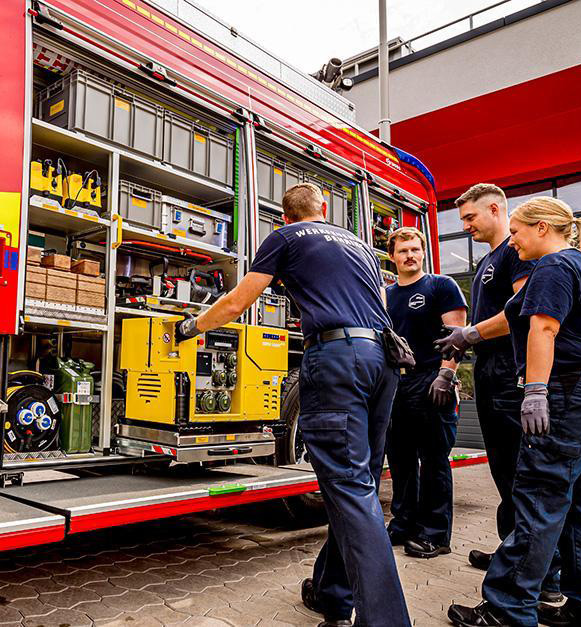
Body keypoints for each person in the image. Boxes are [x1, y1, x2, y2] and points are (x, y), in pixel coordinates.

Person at [175, 183, 408, 627]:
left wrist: (189, 327)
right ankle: (333, 594)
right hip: (383, 359)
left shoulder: (284, 238)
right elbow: (379, 303)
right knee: (359, 485)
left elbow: (239, 301)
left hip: (337, 359)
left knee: (351, 491)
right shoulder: (357, 242)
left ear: (284, 216)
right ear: (323, 208)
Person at [447, 197, 581, 627]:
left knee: (539, 494)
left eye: (518, 232)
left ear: (542, 227)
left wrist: (536, 391)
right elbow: (512, 313)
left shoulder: (553, 267)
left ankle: (509, 608)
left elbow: (543, 328)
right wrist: (469, 334)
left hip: (567, 388)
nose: (513, 241)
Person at [435, 184, 561, 601]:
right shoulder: (491, 258)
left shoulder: (514, 252)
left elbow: (521, 312)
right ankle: (514, 553)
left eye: (470, 218)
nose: (466, 226)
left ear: (494, 208)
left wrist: (470, 334)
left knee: (522, 478)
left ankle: (542, 578)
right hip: (490, 376)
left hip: (510, 378)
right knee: (505, 476)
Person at [382, 227, 467, 559]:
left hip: (432, 381)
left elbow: (457, 335)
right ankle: (404, 523)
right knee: (400, 460)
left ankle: (435, 533)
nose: (410, 255)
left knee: (433, 461)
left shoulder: (441, 286)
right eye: (403, 251)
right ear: (393, 257)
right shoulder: (386, 295)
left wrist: (446, 375)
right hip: (396, 385)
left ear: (423, 253)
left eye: (415, 249)